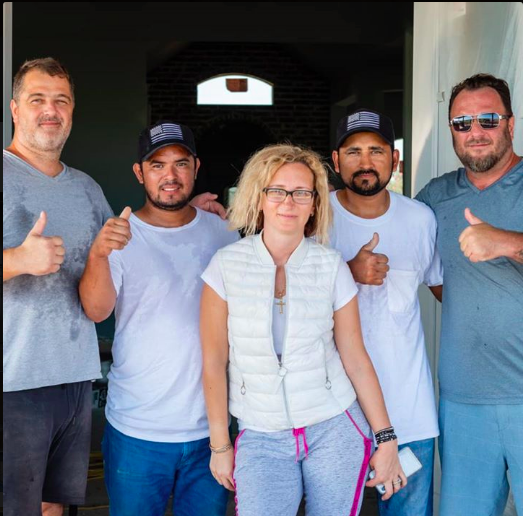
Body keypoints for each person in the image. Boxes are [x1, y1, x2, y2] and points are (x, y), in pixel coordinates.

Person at [200, 143, 405, 516]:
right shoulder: (225, 266)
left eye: (301, 193)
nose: (288, 202)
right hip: (261, 433)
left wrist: (386, 438)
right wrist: (220, 445)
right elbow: (214, 361)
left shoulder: (331, 266)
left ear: (314, 204)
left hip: (334, 427)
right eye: (277, 191)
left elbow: (355, 358)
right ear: (259, 198)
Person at [79, 121, 238, 516]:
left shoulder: (223, 233)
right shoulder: (120, 235)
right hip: (137, 428)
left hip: (211, 431)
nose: (170, 175)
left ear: (196, 168)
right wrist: (98, 254)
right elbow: (96, 311)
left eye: (181, 163)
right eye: (157, 165)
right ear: (139, 172)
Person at [2, 57, 115, 516]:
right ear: (15, 109)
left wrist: (100, 257)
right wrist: (16, 261)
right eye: (37, 100)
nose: (50, 110)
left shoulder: (88, 190)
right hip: (11, 382)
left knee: (54, 508)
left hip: (73, 380)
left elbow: (99, 306)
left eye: (61, 101)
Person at [416, 73, 523, 516]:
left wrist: (508, 243)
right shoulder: (435, 197)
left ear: (510, 124)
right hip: (463, 400)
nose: (475, 132)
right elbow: (385, 231)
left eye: (488, 120)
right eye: (462, 123)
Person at [330, 109, 443, 516]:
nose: (365, 162)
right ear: (335, 160)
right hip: (334, 415)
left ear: (395, 160)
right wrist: (346, 273)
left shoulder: (419, 219)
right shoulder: (313, 218)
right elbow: (280, 296)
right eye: (353, 151)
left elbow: (448, 292)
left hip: (409, 413)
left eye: (376, 151)